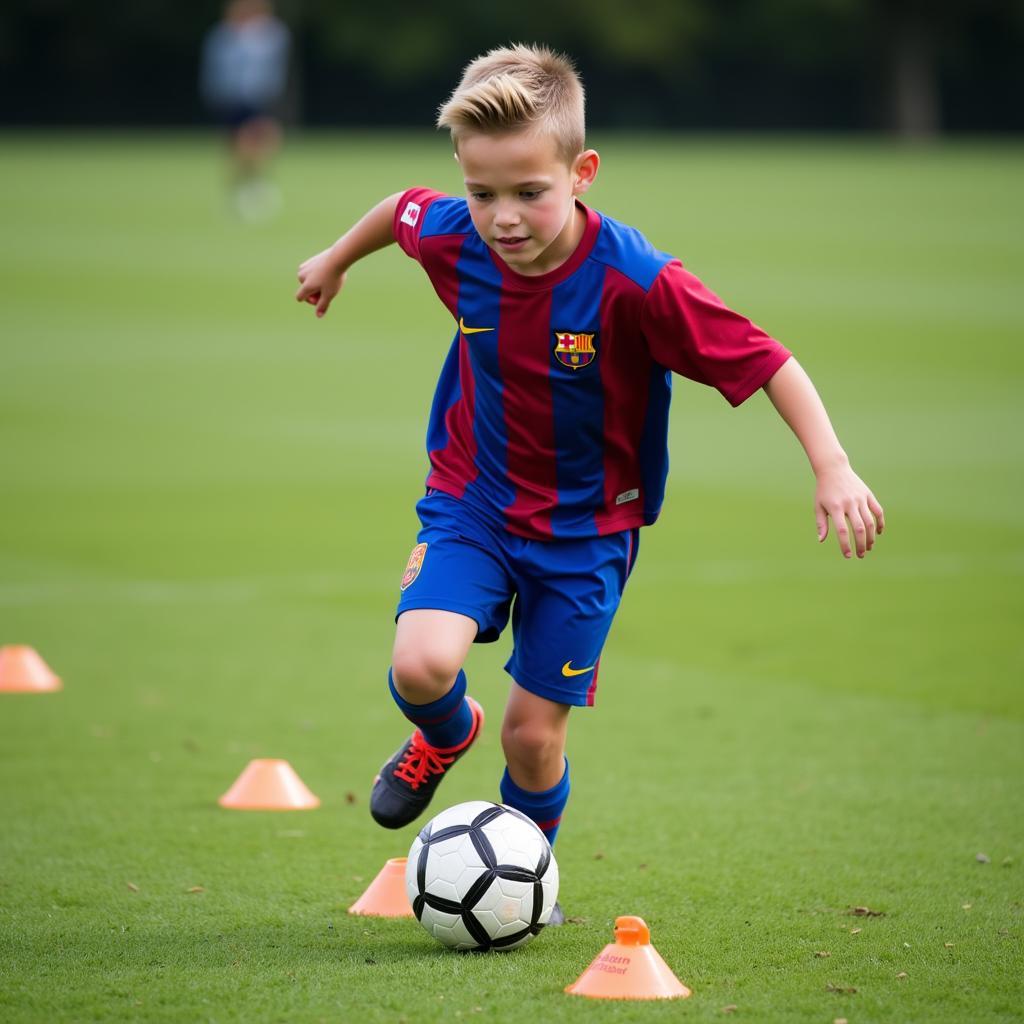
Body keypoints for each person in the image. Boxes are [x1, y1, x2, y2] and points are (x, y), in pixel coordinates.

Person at [294, 44, 884, 918]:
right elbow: (400, 211)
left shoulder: (638, 282)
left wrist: (831, 465)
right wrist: (336, 258)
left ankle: (520, 876)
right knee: (421, 666)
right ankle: (446, 735)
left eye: (529, 192)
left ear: (582, 172)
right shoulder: (454, 233)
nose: (503, 217)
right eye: (482, 192)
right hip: (475, 501)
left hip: (586, 534)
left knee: (533, 735)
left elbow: (767, 361)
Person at [200, 0, 291, 220]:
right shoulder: (222, 36)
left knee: (262, 139)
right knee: (238, 147)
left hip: (258, 98)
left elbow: (272, 68)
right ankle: (244, 188)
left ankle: (253, 186)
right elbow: (216, 69)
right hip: (231, 98)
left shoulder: (272, 34)